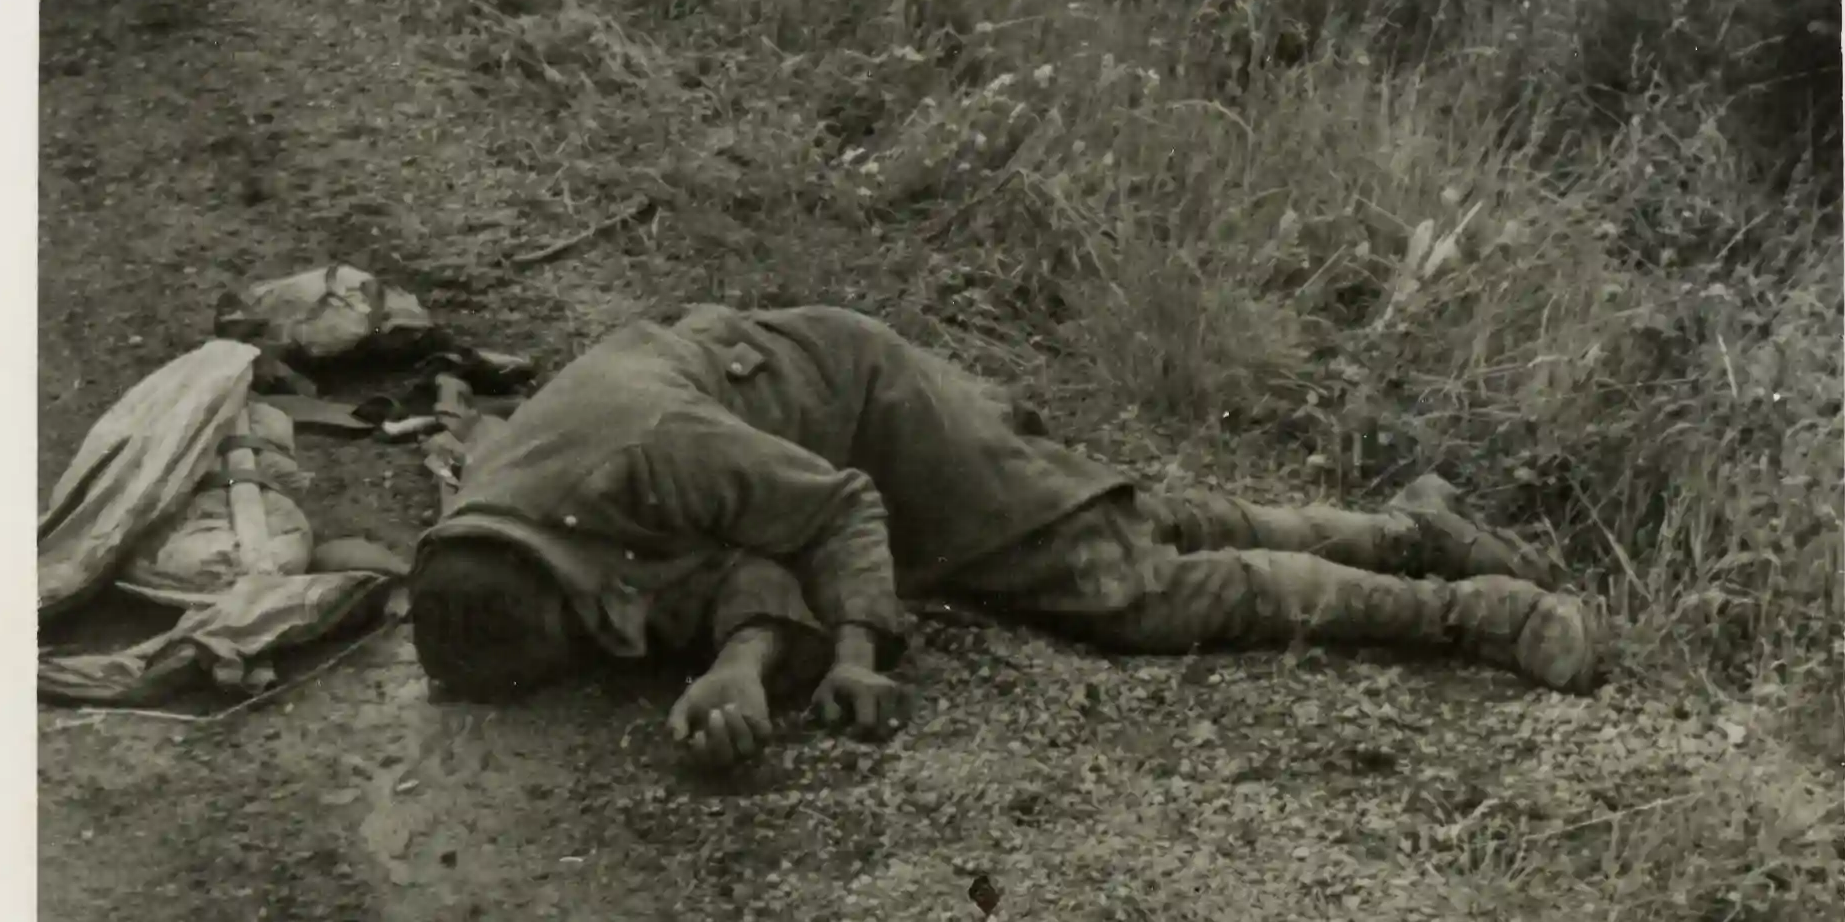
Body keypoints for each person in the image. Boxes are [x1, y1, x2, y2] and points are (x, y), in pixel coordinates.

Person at [408, 303, 1606, 765]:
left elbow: (830, 511)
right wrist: (739, 661)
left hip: (875, 415)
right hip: (800, 430)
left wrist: (861, 649)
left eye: (588, 631)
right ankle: (1415, 530)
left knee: (1125, 588)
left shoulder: (646, 453)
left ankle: (1467, 618)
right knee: (1126, 522)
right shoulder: (497, 504)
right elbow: (730, 560)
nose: (611, 648)